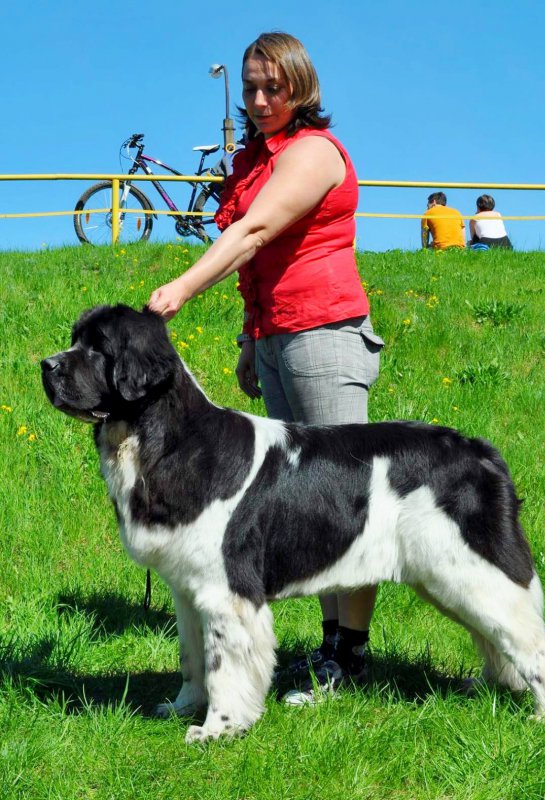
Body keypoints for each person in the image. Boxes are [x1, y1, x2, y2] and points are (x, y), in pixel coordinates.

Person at [147, 31, 384, 705]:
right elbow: (257, 262)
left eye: (271, 87)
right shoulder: (253, 157)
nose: (257, 99)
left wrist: (181, 291)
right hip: (279, 338)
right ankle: (327, 646)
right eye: (250, 87)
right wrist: (253, 340)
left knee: (343, 496)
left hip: (324, 332)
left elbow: (251, 233)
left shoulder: (311, 152)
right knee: (298, 501)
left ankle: (349, 656)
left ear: (300, 86)